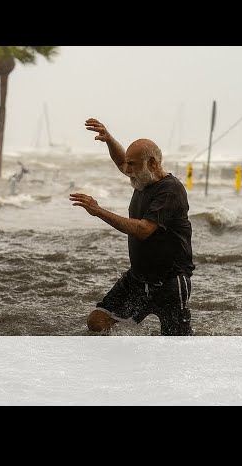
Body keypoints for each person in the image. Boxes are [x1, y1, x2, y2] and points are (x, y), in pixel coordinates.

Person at [69, 118, 194, 336]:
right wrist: (108, 139)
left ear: (153, 163)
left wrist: (98, 211)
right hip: (138, 278)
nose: (128, 170)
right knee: (97, 322)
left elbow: (144, 229)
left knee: (177, 344)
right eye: (128, 164)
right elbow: (121, 162)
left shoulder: (170, 190)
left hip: (171, 282)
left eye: (133, 165)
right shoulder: (142, 179)